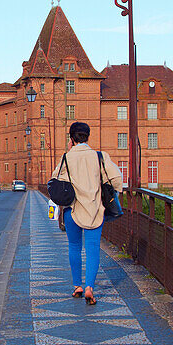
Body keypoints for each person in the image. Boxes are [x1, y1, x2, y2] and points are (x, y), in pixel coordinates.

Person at [49, 121, 123, 305]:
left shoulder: (67, 158)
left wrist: (69, 152)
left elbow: (54, 180)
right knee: (92, 250)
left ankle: (77, 286)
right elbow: (116, 178)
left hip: (72, 210)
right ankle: (90, 286)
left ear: (72, 139)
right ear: (88, 137)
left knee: (74, 247)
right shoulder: (99, 156)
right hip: (94, 210)